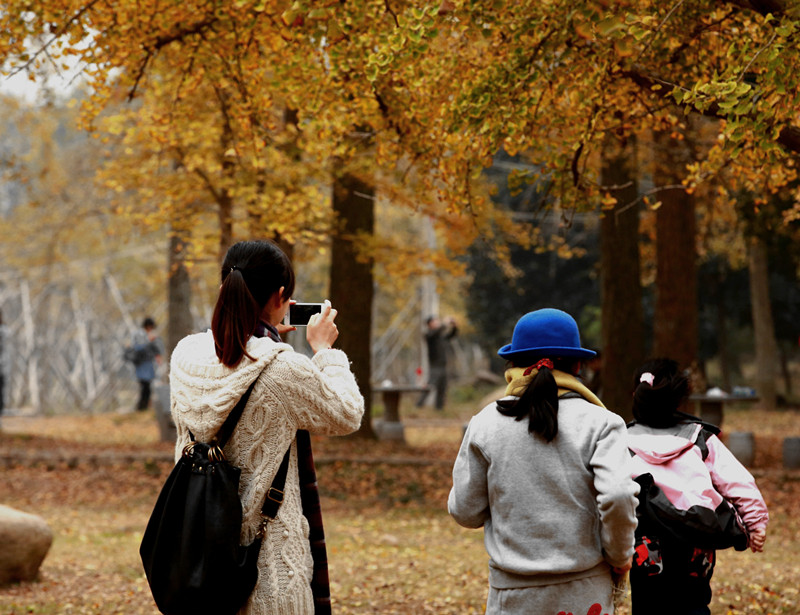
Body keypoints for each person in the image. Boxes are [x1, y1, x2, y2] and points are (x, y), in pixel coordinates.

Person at [169, 239, 364, 614]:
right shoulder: (282, 370)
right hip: (268, 571)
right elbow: (348, 413)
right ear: (280, 296)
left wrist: (265, 337)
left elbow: (231, 363)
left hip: (196, 561)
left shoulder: (185, 355)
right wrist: (325, 351)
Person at [448, 308, 638, 615]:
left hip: (512, 596)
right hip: (585, 592)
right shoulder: (602, 423)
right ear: (578, 364)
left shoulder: (485, 423)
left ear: (513, 364)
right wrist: (620, 556)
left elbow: (465, 511)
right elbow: (618, 495)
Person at [626, 358, 769, 615]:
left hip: (646, 543)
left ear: (636, 396)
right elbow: (739, 482)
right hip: (697, 536)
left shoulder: (621, 441)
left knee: (647, 603)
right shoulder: (700, 438)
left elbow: (608, 492)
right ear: (680, 399)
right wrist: (755, 523)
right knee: (695, 602)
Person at [416, 315, 457, 411]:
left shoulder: (440, 337)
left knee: (442, 387)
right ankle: (419, 405)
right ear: (430, 324)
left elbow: (451, 335)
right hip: (435, 366)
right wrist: (445, 323)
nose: (437, 323)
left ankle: (439, 408)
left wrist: (454, 327)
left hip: (443, 365)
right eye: (435, 321)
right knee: (430, 386)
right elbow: (438, 331)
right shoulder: (429, 335)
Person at [130, 317, 164, 412]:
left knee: (147, 387)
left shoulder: (147, 335)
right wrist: (149, 341)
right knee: (145, 387)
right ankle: (141, 407)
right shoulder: (138, 334)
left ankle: (144, 407)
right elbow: (137, 348)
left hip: (148, 365)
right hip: (141, 364)